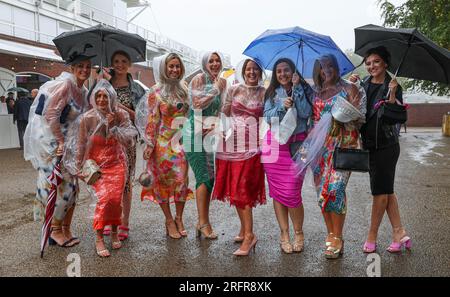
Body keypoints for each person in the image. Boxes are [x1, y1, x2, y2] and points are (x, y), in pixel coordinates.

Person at [297, 54, 366, 259]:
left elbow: (360, 118)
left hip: (343, 146)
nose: (326, 69)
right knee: (322, 195)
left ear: (337, 67)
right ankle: (331, 234)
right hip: (319, 149)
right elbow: (309, 118)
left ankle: (337, 236)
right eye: (322, 67)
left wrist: (348, 115)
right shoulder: (316, 92)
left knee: (335, 190)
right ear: (318, 71)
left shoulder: (350, 88)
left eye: (330, 65)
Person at [23, 52, 95, 247]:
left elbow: (86, 116)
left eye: (88, 66)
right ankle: (55, 230)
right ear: (71, 68)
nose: (85, 70)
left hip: (70, 144)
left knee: (73, 188)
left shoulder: (83, 89)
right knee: (62, 187)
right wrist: (61, 142)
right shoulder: (66, 86)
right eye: (80, 66)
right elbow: (50, 114)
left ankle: (65, 228)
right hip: (54, 144)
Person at [349, 46, 411, 253]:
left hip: (386, 145)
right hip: (369, 145)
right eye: (368, 63)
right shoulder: (364, 84)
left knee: (379, 193)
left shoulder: (393, 85)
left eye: (376, 61)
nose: (371, 66)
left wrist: (392, 94)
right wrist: (353, 87)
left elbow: (395, 118)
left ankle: (371, 236)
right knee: (386, 190)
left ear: (385, 63)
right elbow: (358, 111)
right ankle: (399, 232)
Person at [65, 80, 137, 257]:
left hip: (117, 164)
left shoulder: (120, 115)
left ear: (112, 97)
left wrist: (113, 127)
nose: (102, 99)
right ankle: (99, 237)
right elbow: (81, 144)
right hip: (96, 167)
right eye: (99, 95)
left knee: (115, 200)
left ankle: (114, 232)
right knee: (104, 199)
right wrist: (78, 165)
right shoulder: (87, 118)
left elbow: (130, 140)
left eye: (106, 96)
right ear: (94, 98)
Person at [212, 59, 266, 255]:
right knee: (234, 187)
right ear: (243, 71)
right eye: (248, 69)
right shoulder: (234, 89)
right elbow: (224, 112)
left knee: (243, 188)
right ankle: (244, 229)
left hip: (251, 147)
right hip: (230, 144)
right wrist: (219, 130)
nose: (252, 72)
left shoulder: (264, 93)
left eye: (255, 69)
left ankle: (250, 236)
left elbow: (270, 119)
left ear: (260, 73)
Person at [137, 53, 194, 239]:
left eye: (178, 66)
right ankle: (169, 220)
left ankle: (179, 218)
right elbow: (152, 120)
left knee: (181, 183)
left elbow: (191, 116)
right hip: (162, 145)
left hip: (181, 143)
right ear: (164, 68)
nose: (175, 70)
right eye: (171, 66)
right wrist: (149, 144)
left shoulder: (185, 89)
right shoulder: (156, 91)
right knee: (162, 184)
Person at [261, 58, 314, 254]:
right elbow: (267, 116)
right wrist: (282, 106)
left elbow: (306, 112)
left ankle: (298, 232)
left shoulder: (304, 88)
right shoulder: (272, 93)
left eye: (286, 70)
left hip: (298, 144)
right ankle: (284, 234)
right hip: (274, 145)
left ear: (293, 71)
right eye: (279, 71)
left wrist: (298, 87)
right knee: (278, 192)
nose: (282, 74)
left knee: (292, 191)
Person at [98, 50, 146, 241]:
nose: (119, 64)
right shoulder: (104, 85)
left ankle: (124, 222)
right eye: (116, 61)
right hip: (106, 142)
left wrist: (119, 106)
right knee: (109, 182)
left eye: (124, 61)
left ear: (129, 64)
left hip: (127, 142)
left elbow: (141, 117)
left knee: (125, 183)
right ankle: (112, 219)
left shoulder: (137, 89)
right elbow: (95, 111)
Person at [183, 51, 227, 239]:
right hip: (194, 133)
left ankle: (202, 220)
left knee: (210, 178)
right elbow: (196, 104)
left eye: (218, 60)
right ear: (205, 63)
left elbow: (220, 108)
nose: (215, 63)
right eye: (211, 60)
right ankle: (203, 223)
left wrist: (217, 125)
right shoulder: (199, 79)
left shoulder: (222, 82)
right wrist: (215, 89)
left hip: (209, 134)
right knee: (203, 177)